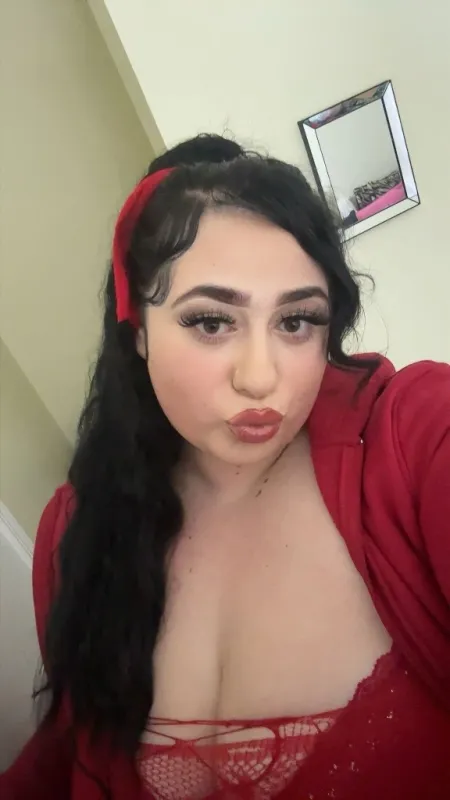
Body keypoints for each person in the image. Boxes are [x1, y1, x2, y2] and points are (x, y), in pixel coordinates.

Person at [1, 134, 450, 800]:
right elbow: (63, 755)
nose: (260, 377)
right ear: (138, 328)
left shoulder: (415, 436)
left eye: (296, 321)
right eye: (212, 322)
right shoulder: (76, 529)